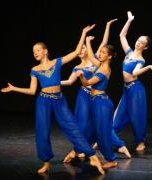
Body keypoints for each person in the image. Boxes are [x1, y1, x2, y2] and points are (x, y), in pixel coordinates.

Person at [0, 24, 105, 175]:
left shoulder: (56, 62)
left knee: (71, 126)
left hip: (59, 100)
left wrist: (83, 33)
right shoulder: (34, 70)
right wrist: (14, 88)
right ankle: (46, 162)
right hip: (43, 101)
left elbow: (76, 52)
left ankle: (92, 155)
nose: (35, 53)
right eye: (33, 51)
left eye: (38, 50)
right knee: (42, 130)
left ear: (45, 51)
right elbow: (31, 91)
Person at [61, 19, 131, 160]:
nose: (80, 51)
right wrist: (52, 84)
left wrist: (106, 26)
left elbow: (104, 43)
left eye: (83, 49)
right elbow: (69, 81)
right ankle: (80, 149)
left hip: (96, 97)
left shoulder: (97, 62)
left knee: (99, 125)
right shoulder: (82, 66)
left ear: (88, 50)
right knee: (85, 124)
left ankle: (116, 145)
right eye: (79, 50)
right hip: (85, 96)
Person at [111, 11, 152, 154]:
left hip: (136, 89)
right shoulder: (128, 52)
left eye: (142, 42)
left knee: (137, 116)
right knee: (118, 115)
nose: (138, 42)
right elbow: (122, 35)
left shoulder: (141, 60)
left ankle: (141, 142)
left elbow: (135, 73)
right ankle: (108, 137)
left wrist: (149, 67)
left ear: (146, 47)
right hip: (127, 89)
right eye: (138, 40)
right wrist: (129, 21)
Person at [76, 34, 118, 169]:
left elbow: (87, 83)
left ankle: (111, 160)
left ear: (109, 56)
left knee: (102, 132)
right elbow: (90, 57)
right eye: (100, 51)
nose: (99, 54)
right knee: (91, 129)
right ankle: (81, 150)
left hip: (102, 104)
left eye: (103, 52)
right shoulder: (100, 64)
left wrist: (81, 75)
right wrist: (88, 41)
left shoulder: (104, 69)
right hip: (97, 102)